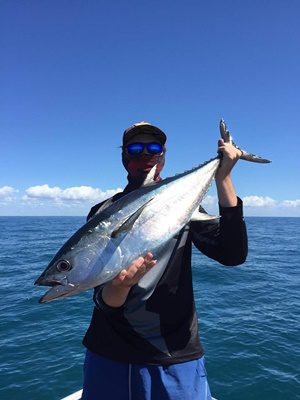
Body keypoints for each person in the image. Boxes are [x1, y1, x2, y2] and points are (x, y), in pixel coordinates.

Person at [82, 121, 248, 400]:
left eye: (153, 148)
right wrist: (120, 287)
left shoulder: (182, 204)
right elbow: (102, 296)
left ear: (163, 157)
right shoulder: (103, 213)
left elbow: (232, 255)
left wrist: (223, 178)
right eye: (136, 148)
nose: (145, 155)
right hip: (109, 352)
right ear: (124, 157)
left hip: (175, 354)